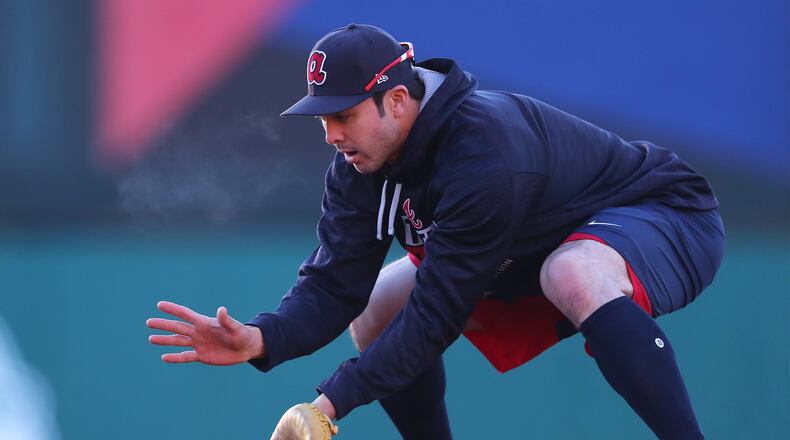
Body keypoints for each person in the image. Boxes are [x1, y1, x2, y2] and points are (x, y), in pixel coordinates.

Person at [146, 24, 725, 439]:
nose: (330, 134)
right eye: (323, 118)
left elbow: (437, 312)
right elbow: (333, 287)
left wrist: (329, 405)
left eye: (343, 115)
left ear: (397, 100)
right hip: (526, 247)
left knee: (573, 271)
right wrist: (260, 339)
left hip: (661, 213)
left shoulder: (483, 152)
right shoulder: (358, 167)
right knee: (372, 310)